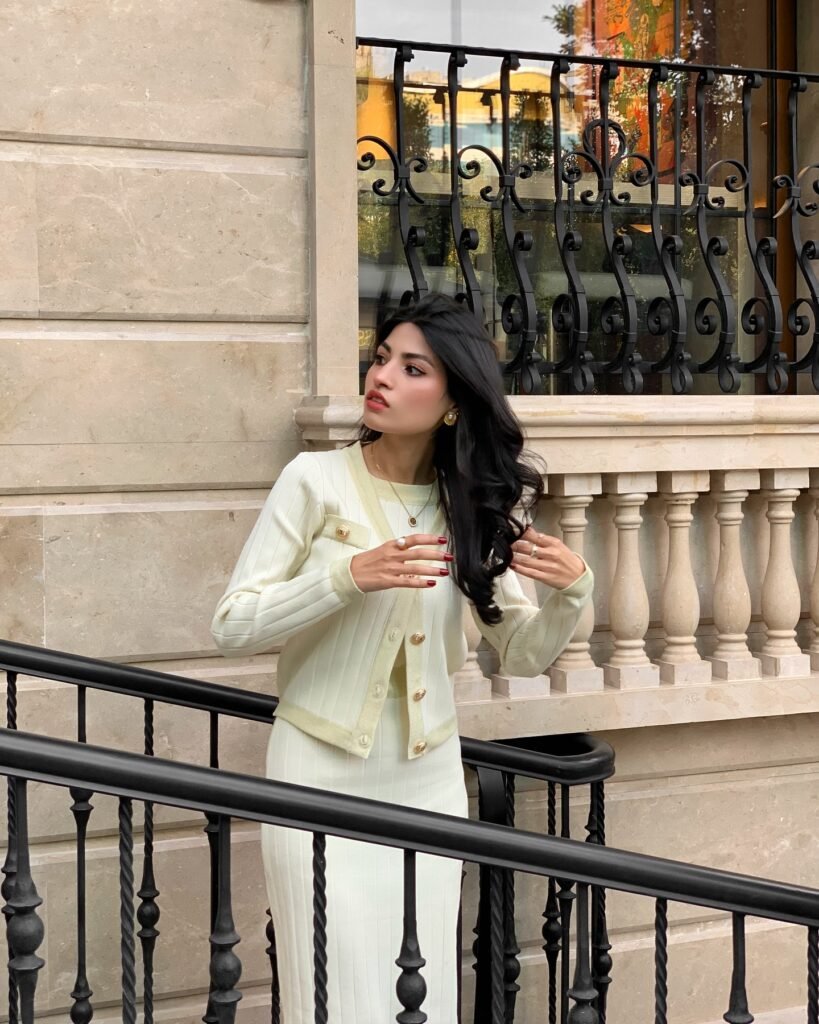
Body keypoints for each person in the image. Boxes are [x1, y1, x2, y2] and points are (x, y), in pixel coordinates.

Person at [210, 292, 593, 1024]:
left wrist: (573, 595)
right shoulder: (312, 481)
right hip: (314, 775)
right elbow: (233, 626)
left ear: (452, 400)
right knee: (329, 991)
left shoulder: (468, 508)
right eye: (381, 356)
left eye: (411, 366)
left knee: (418, 996)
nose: (381, 374)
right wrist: (345, 576)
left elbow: (519, 654)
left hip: (426, 783)